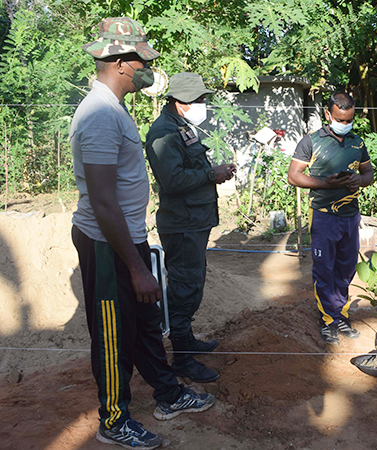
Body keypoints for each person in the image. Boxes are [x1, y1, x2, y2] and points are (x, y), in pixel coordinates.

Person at [71, 17, 214, 449]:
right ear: (118, 62)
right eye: (139, 59)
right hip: (106, 241)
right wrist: (136, 267)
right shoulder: (98, 114)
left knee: (148, 324)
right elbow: (102, 200)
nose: (145, 67)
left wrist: (137, 252)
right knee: (115, 335)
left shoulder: (113, 110)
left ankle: (168, 393)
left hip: (125, 238)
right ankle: (114, 420)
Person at [145, 73, 235, 383]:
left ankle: (187, 340)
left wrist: (213, 173)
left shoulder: (182, 127)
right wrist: (213, 175)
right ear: (181, 102)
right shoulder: (162, 134)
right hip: (181, 224)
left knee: (192, 285)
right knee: (184, 288)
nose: (204, 105)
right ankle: (181, 358)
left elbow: (189, 168)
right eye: (200, 100)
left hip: (194, 222)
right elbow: (173, 181)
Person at [287, 92, 374, 346]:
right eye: (339, 119)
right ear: (328, 115)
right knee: (324, 268)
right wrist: (325, 184)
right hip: (324, 215)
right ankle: (328, 320)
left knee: (346, 268)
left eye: (349, 120)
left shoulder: (357, 143)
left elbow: (368, 172)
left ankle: (341, 314)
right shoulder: (311, 142)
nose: (345, 124)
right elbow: (294, 176)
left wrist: (360, 180)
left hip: (350, 215)